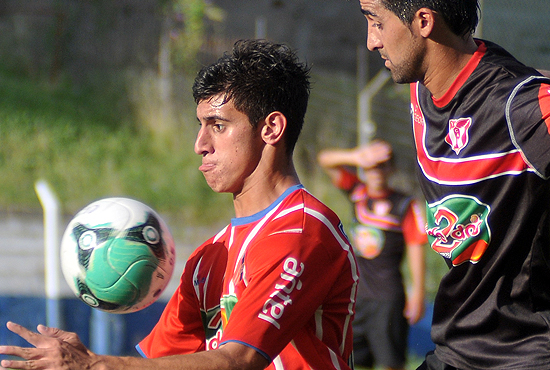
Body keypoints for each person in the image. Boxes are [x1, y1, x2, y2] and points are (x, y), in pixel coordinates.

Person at [345, 0, 550, 369]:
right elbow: (520, 82)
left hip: (539, 351)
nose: (371, 42)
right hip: (463, 349)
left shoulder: (519, 106)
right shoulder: (426, 84)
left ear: (424, 22)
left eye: (377, 23)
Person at [0, 39, 358, 370]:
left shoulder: (300, 231)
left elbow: (238, 360)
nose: (199, 144)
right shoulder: (208, 257)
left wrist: (94, 364)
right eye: (200, 125)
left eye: (217, 126)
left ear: (271, 129)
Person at [317, 139, 427, 370]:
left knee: (390, 363)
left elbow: (417, 246)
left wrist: (417, 292)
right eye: (371, 166)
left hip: (387, 298)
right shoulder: (358, 193)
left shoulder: (404, 205)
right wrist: (356, 155)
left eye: (382, 165)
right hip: (355, 298)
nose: (376, 172)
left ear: (392, 169)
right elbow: (325, 160)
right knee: (352, 360)